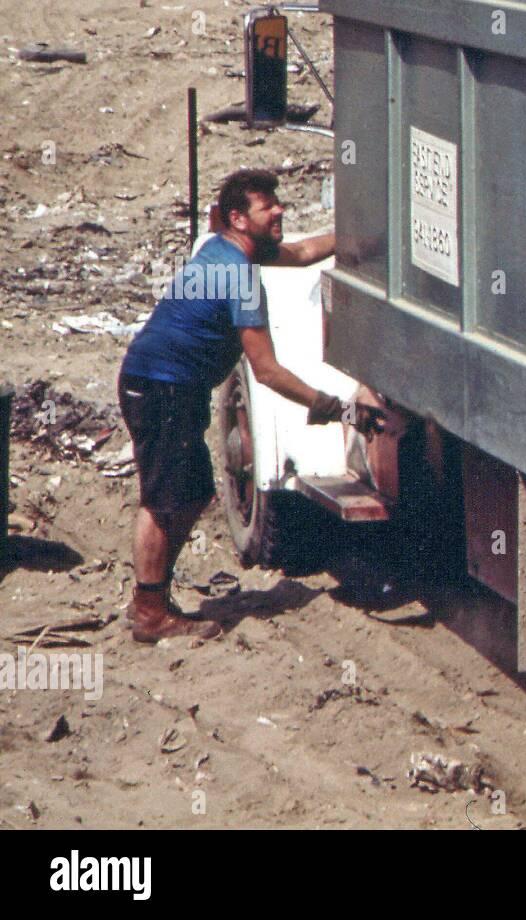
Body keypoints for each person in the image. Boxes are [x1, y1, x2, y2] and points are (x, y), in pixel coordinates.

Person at [117, 168, 380, 643]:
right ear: (239, 218)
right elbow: (268, 371)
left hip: (168, 386)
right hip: (161, 390)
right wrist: (338, 408)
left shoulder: (224, 248)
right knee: (162, 502)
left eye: (277, 201)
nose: (280, 209)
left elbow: (301, 253)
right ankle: (150, 611)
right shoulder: (239, 276)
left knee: (193, 493)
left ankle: (151, 598)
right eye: (267, 206)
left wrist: (367, 236)